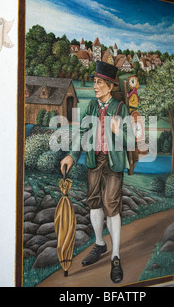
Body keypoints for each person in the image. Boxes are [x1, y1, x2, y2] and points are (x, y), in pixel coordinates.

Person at [60, 61, 131, 283]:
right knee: (94, 202)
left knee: (111, 205)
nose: (95, 86)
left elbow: (130, 140)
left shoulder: (120, 108)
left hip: (113, 163)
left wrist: (118, 132)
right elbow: (82, 132)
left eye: (99, 82)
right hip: (94, 160)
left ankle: (116, 256)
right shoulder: (91, 107)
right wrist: (72, 155)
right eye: (94, 82)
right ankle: (100, 243)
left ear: (110, 86)